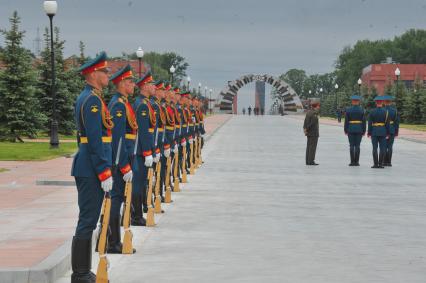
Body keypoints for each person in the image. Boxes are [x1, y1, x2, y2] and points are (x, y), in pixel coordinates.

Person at [71, 51, 113, 282]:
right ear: (93, 73)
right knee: (87, 218)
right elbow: (95, 140)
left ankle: (83, 271)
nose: (108, 75)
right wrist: (104, 170)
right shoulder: (92, 101)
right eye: (104, 71)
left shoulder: (91, 97)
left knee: (89, 217)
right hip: (90, 167)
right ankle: (80, 273)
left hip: (89, 164)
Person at [107, 64, 136, 253]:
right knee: (115, 200)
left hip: (125, 156)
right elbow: (117, 139)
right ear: (122, 83)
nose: (134, 85)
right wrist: (122, 166)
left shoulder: (123, 103)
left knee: (118, 199)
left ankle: (112, 240)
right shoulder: (118, 105)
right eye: (131, 82)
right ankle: (113, 242)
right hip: (119, 161)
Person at [132, 72, 155, 223]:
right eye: (152, 84)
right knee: (138, 184)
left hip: (141, 150)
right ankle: (136, 215)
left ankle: (137, 213)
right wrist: (147, 152)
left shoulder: (144, 103)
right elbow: (143, 132)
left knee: (141, 183)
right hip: (140, 151)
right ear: (145, 86)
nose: (154, 87)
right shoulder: (142, 105)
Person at [367, 96, 390, 168]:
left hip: (374, 131)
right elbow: (387, 124)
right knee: (382, 148)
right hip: (383, 131)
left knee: (374, 148)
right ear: (382, 103)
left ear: (376, 103)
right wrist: (388, 133)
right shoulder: (386, 112)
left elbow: (370, 123)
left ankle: (375, 164)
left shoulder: (372, 111)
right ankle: (380, 164)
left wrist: (369, 132)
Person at [344, 95, 366, 166]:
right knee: (357, 146)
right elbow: (364, 121)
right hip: (359, 129)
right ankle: (357, 162)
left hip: (350, 129)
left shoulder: (348, 110)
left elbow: (346, 121)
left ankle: (352, 162)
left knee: (351, 145)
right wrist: (364, 130)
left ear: (352, 102)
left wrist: (345, 130)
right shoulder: (362, 110)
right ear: (358, 102)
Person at [383, 95, 399, 166]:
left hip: (383, 129)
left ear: (384, 102)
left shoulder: (383, 110)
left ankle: (384, 161)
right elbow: (396, 123)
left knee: (383, 146)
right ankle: (389, 162)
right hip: (392, 129)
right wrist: (396, 132)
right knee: (390, 146)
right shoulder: (394, 111)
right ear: (391, 102)